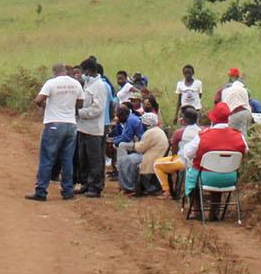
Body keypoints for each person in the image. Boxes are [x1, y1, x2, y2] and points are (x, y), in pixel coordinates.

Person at [183, 103, 249, 219]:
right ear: (228, 118)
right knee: (219, 169)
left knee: (192, 174)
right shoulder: (239, 136)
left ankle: (198, 210)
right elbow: (245, 151)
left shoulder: (203, 136)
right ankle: (214, 212)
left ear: (212, 119)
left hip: (205, 177)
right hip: (230, 178)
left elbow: (187, 153)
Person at [29, 64, 83, 202]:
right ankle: (67, 191)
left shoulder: (51, 83)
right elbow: (81, 104)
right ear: (65, 72)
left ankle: (41, 191)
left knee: (47, 158)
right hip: (71, 125)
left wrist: (47, 107)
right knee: (67, 159)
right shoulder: (76, 84)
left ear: (54, 72)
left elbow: (38, 99)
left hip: (54, 124)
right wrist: (69, 107)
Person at [74, 58, 110, 198]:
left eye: (83, 71)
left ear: (88, 71)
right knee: (84, 158)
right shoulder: (88, 83)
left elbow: (98, 108)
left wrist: (80, 113)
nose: (81, 74)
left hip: (94, 129)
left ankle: (95, 186)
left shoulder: (99, 86)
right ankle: (86, 183)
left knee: (95, 159)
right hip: (83, 127)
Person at [115, 113, 168, 196]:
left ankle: (129, 186)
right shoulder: (157, 130)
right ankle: (129, 186)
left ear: (146, 124)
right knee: (130, 159)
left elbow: (140, 148)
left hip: (150, 159)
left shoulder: (150, 132)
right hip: (155, 156)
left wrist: (135, 144)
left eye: (142, 123)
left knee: (125, 160)